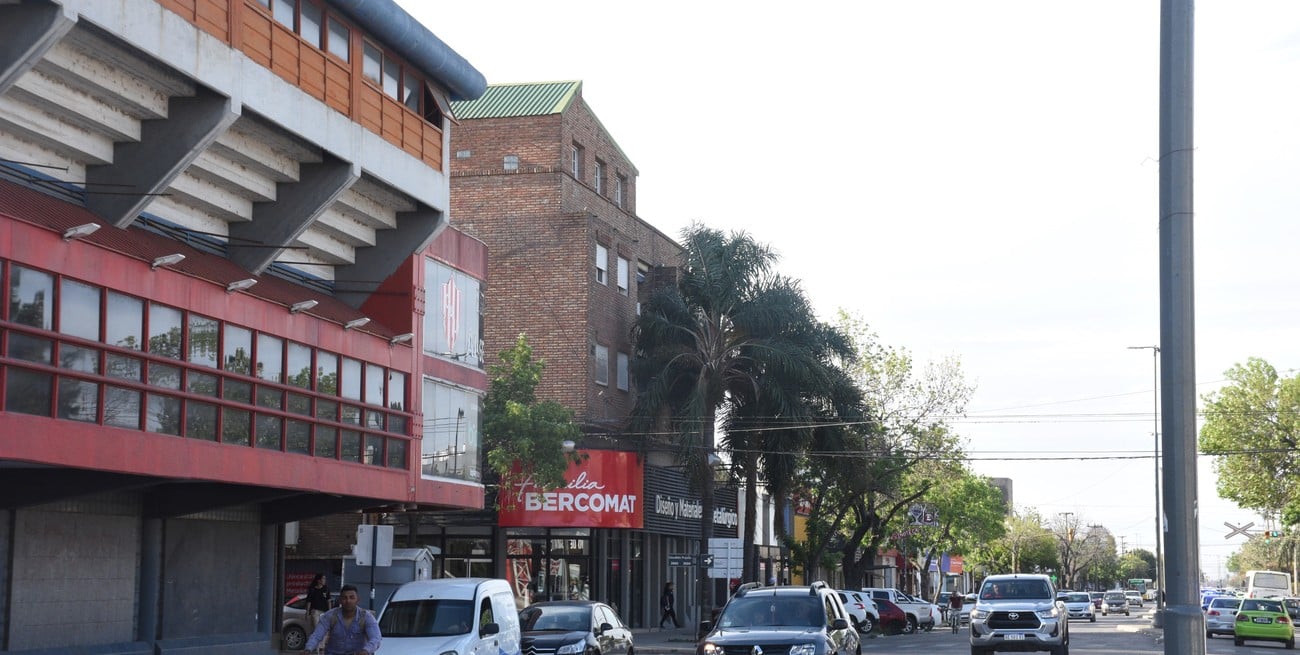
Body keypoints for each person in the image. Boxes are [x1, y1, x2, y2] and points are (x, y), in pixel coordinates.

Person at [305, 585, 381, 655]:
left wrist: (366, 650)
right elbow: (317, 635)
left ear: (358, 600)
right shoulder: (330, 615)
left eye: (352, 597)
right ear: (340, 600)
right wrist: (308, 649)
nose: (348, 601)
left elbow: (376, 638)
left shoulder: (366, 617)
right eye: (344, 598)